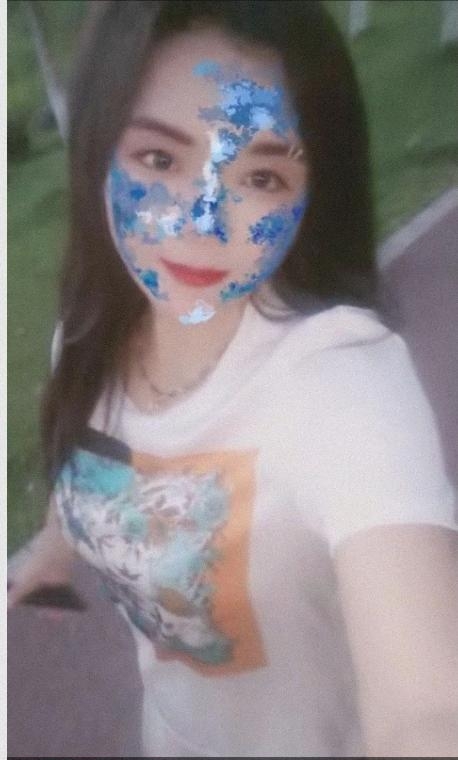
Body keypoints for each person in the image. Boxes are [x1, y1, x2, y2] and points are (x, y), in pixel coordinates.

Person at [8, 1, 458, 756]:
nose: (205, 224)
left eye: (261, 176)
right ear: (96, 153)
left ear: (312, 194)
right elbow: (92, 455)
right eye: (159, 161)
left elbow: (426, 711)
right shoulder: (84, 344)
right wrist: (53, 550)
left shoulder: (342, 386)